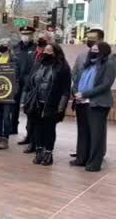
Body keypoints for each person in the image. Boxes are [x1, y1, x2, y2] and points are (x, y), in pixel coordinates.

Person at [22, 43, 71, 166]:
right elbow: (30, 83)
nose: (46, 53)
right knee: (37, 129)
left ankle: (48, 153)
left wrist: (61, 107)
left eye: (50, 51)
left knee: (49, 130)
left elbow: (66, 90)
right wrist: (26, 99)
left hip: (52, 104)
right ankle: (39, 152)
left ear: (56, 53)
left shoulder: (63, 68)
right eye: (45, 50)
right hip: (36, 102)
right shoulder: (38, 64)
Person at [71, 42, 116, 172]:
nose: (93, 51)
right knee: (83, 133)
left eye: (96, 50)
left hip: (97, 104)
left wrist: (84, 94)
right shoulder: (87, 63)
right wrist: (75, 93)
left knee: (96, 135)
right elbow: (76, 80)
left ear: (103, 52)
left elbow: (105, 85)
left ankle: (94, 164)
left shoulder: (109, 64)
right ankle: (81, 159)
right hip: (81, 103)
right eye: (92, 49)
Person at [69, 28, 105, 158]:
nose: (89, 41)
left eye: (93, 38)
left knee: (96, 130)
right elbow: (74, 74)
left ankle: (96, 154)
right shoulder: (82, 56)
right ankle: (82, 152)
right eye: (88, 38)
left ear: (100, 39)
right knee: (82, 128)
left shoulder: (107, 56)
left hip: (95, 100)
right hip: (80, 98)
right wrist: (76, 91)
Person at [19, 30, 53, 153]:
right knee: (30, 119)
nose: (40, 40)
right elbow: (29, 69)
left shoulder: (51, 53)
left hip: (42, 92)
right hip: (30, 90)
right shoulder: (35, 52)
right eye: (39, 38)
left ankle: (37, 144)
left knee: (39, 122)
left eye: (42, 38)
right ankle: (30, 139)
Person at [0, 40, 18, 150]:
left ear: (9, 46)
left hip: (8, 93)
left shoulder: (14, 59)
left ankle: (5, 139)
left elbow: (17, 77)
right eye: (1, 43)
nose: (3, 45)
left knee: (6, 117)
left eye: (5, 43)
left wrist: (15, 91)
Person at [12, 26, 36, 137]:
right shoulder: (15, 48)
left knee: (29, 107)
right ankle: (12, 128)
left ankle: (29, 133)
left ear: (32, 35)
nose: (26, 36)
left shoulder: (36, 49)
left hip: (30, 83)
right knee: (13, 106)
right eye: (24, 34)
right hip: (16, 81)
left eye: (28, 34)